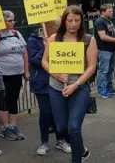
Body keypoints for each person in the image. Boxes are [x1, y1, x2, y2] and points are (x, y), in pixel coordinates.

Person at [42, 5, 98, 163]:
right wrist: (55, 73)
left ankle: (77, 159)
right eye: (70, 20)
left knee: (74, 127)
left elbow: (92, 66)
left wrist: (76, 84)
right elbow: (44, 61)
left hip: (78, 89)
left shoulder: (88, 39)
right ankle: (81, 150)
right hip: (56, 88)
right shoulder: (54, 39)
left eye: (77, 20)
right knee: (61, 128)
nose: (74, 24)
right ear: (64, 21)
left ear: (82, 21)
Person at [27, 18, 72, 156]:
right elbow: (34, 61)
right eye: (57, 27)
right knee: (45, 113)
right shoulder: (33, 41)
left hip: (57, 82)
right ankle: (44, 142)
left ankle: (61, 140)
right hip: (41, 83)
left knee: (59, 113)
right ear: (49, 27)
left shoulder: (61, 39)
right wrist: (46, 49)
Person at [0, 10, 29, 141]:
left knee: (14, 98)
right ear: (2, 21)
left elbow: (25, 53)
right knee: (3, 100)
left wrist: (26, 71)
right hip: (2, 75)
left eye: (13, 20)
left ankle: (13, 125)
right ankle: (5, 127)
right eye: (9, 20)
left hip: (17, 73)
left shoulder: (16, 33)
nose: (13, 22)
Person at [94, 4, 115, 98]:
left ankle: (109, 88)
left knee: (110, 70)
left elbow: (111, 33)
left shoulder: (108, 21)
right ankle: (101, 91)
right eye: (109, 11)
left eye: (112, 10)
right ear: (103, 11)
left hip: (111, 48)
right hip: (103, 49)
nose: (112, 12)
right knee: (103, 70)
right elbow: (103, 36)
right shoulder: (100, 22)